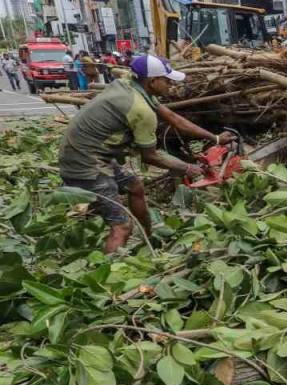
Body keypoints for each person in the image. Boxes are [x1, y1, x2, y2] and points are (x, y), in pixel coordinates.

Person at [58, 55, 235, 253]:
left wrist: (215, 138)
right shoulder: (141, 110)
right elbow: (151, 156)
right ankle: (108, 270)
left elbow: (173, 117)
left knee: (135, 186)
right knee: (122, 226)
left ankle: (149, 238)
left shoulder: (129, 83)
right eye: (167, 80)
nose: (171, 85)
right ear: (152, 81)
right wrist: (188, 168)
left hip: (88, 152)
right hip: (85, 161)